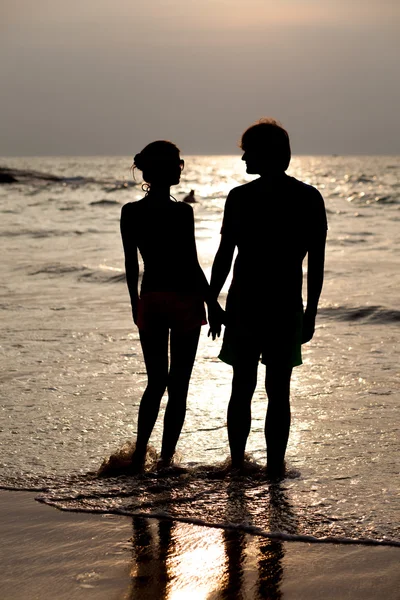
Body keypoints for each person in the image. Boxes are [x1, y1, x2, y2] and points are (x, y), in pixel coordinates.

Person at [210, 118, 327, 478]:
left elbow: (224, 255)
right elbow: (316, 264)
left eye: (249, 152)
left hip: (246, 304)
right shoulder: (308, 197)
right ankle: (274, 469)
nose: (244, 159)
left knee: (242, 387)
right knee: (278, 392)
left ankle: (238, 464)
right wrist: (310, 313)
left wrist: (213, 301)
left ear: (266, 155)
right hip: (283, 305)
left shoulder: (241, 197)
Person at [120, 140, 221, 472]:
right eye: (178, 164)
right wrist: (213, 303)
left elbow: (132, 267)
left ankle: (138, 457)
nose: (181, 168)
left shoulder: (130, 212)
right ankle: (164, 461)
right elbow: (191, 265)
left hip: (151, 299)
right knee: (178, 386)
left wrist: (136, 304)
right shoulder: (182, 212)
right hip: (183, 300)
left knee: (155, 382)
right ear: (170, 169)